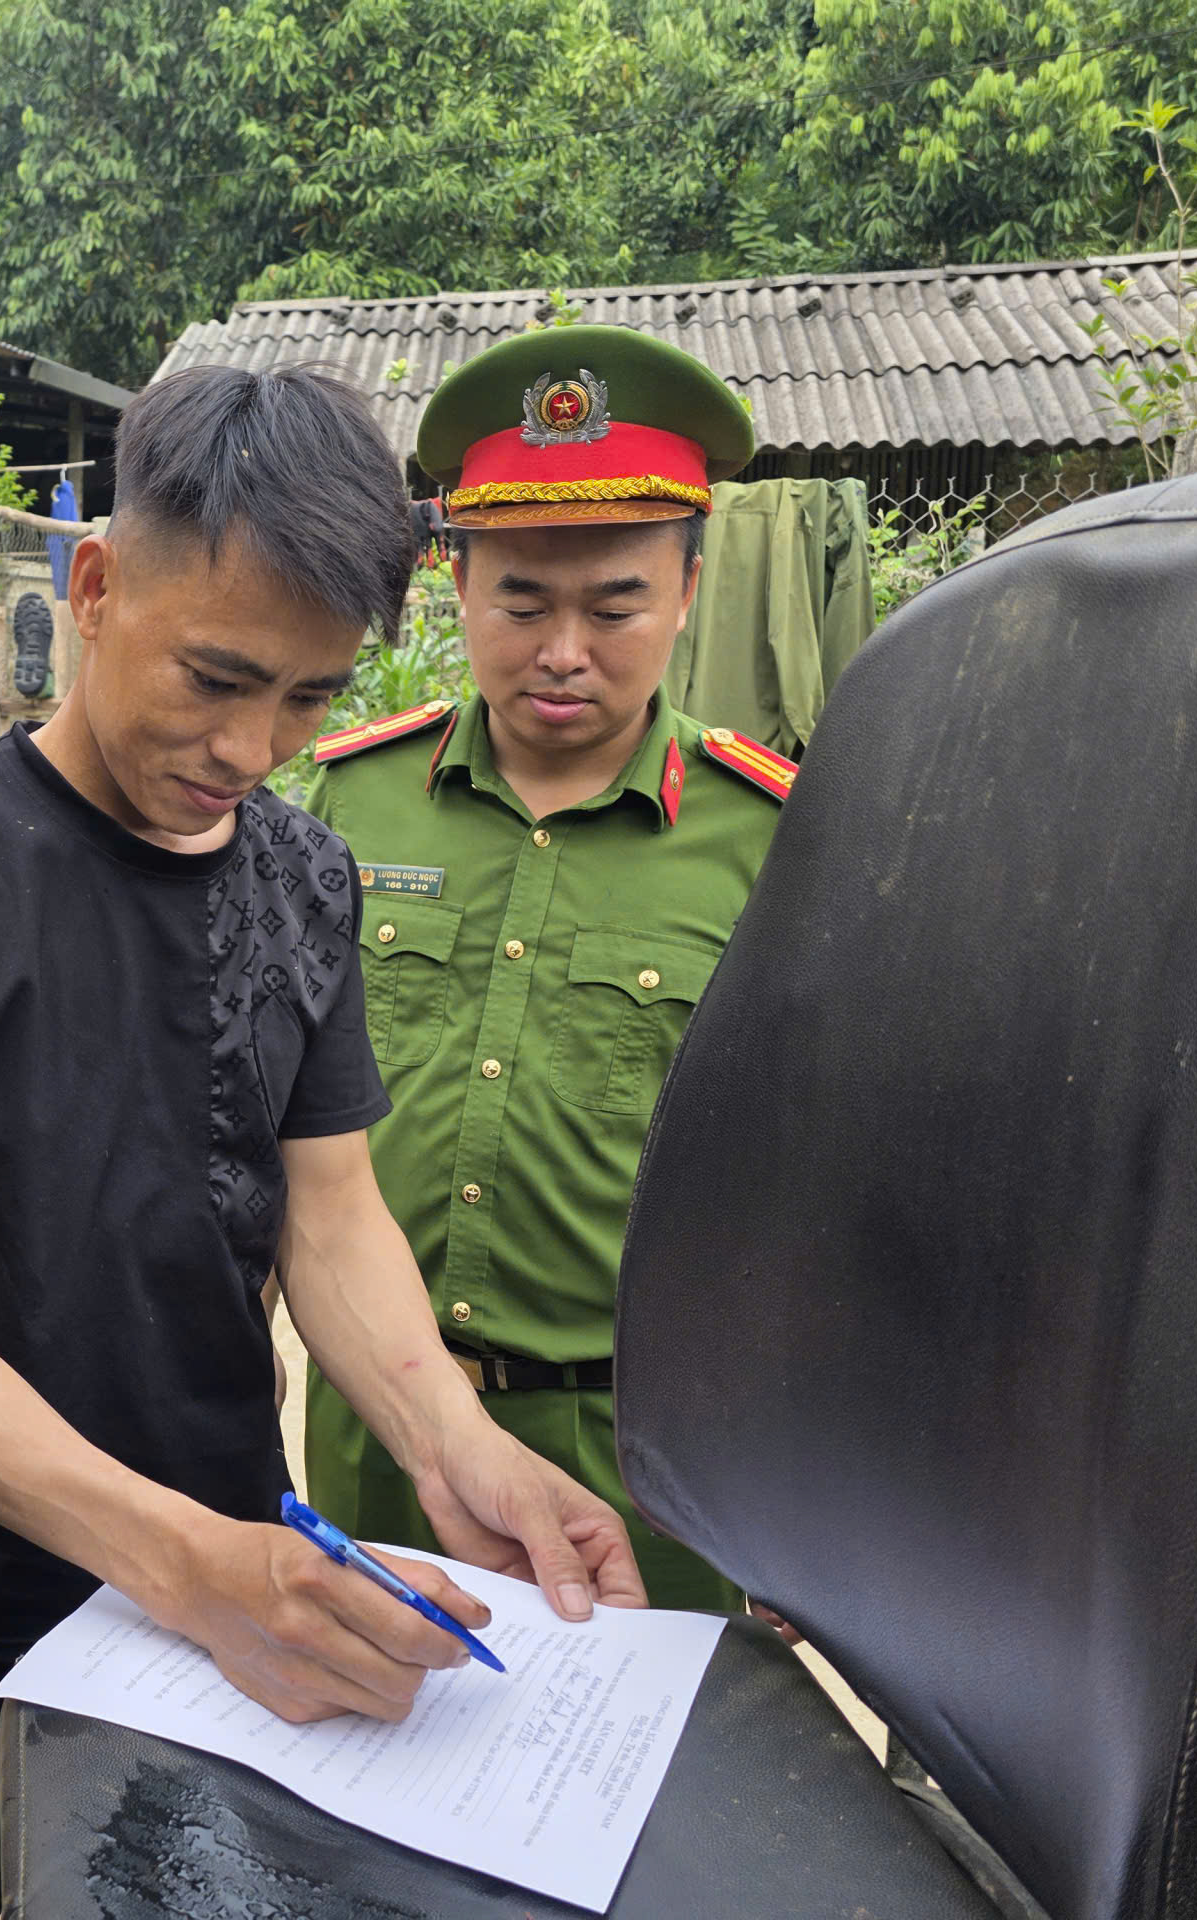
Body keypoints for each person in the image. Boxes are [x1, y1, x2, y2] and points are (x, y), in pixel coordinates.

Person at [0, 362, 649, 1919]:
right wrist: (181, 1565)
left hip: (234, 1612)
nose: (254, 746)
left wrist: (455, 1442)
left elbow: (333, 1215)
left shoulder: (303, 873)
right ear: (95, 589)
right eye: (217, 679)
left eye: (308, 698)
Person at [303, 325, 794, 1613]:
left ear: (687, 589)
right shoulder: (350, 804)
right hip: (375, 1426)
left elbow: (808, 1182)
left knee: (631, 1793)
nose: (563, 650)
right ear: (455, 584)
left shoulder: (774, 844)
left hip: (645, 1455)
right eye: (522, 600)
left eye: (614, 604)